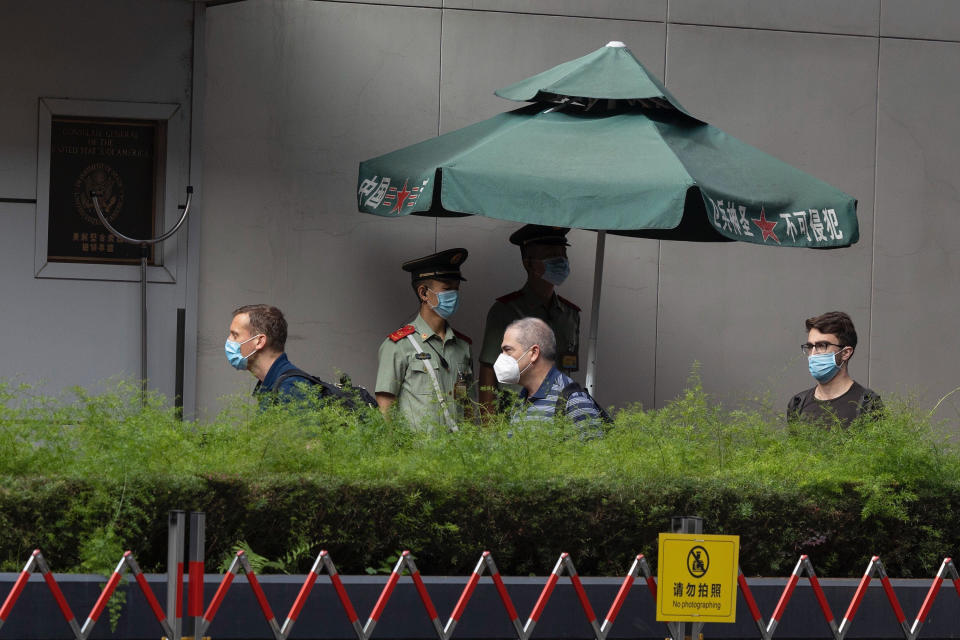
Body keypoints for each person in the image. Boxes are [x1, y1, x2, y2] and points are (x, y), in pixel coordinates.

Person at [478, 225, 581, 416]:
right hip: (517, 423)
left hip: (559, 420)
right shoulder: (506, 311)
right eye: (551, 255)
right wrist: (488, 429)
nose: (561, 260)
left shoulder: (570, 315)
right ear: (529, 263)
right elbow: (488, 372)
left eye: (563, 253)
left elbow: (567, 368)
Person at [375, 248, 475, 431]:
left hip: (458, 453)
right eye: (446, 289)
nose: (454, 295)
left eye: (456, 289)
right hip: (416, 455)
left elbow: (466, 405)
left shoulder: (462, 346)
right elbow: (385, 409)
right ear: (423, 293)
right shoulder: (398, 345)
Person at [495, 317, 603, 434]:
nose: (502, 357)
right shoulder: (521, 400)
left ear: (534, 353)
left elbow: (591, 451)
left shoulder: (574, 401)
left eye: (508, 350)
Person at [787, 311, 882, 426]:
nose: (813, 354)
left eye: (822, 346)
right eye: (810, 346)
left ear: (845, 353)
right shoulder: (798, 404)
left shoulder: (867, 404)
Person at [225, 304, 311, 407]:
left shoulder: (292, 389)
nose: (229, 341)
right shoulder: (273, 384)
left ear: (259, 341)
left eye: (235, 335)